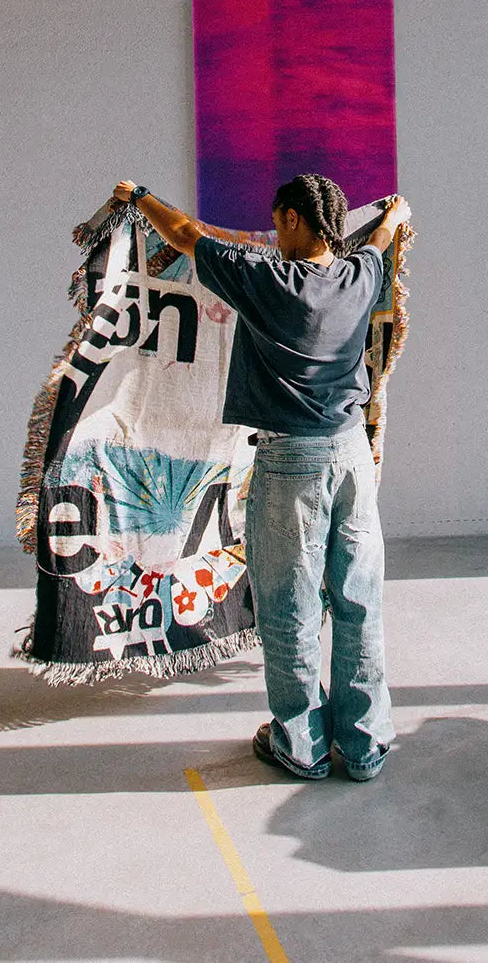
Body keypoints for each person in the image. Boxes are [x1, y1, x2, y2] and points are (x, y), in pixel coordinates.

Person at [111, 174, 411, 781]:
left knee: (289, 605)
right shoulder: (359, 276)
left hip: (291, 464)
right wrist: (397, 212)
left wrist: (138, 195)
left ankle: (301, 744)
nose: (274, 235)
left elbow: (188, 236)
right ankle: (363, 744)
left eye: (278, 223)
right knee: (358, 599)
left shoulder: (269, 281)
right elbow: (379, 237)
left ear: (297, 219)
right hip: (352, 456)